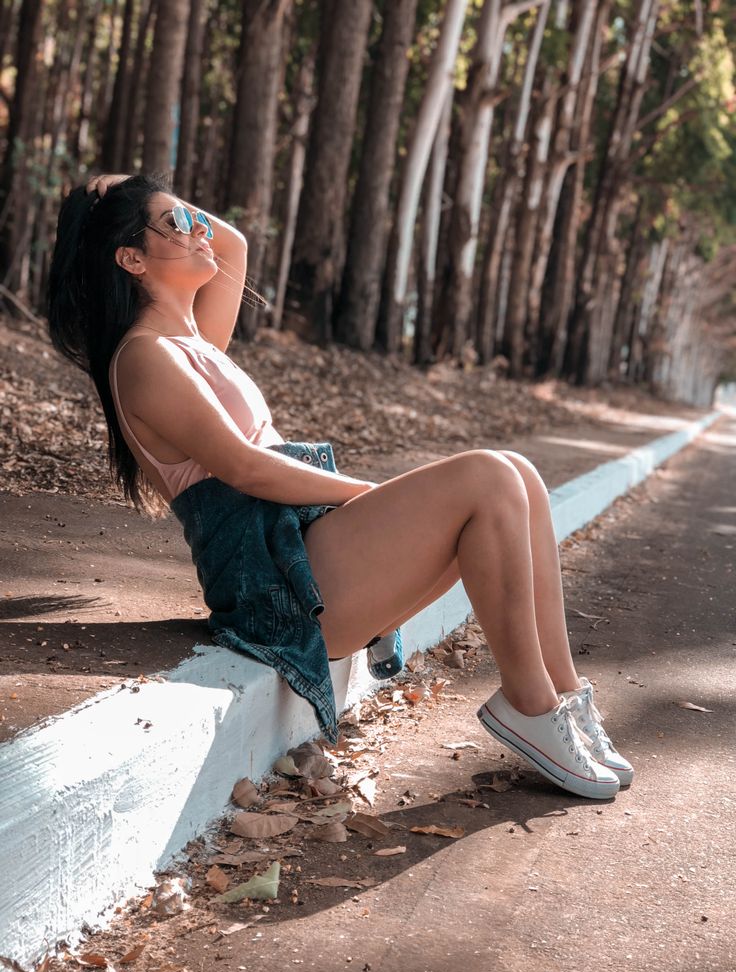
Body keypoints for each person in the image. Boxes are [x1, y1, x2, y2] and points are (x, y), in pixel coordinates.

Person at [47, 173, 633, 800]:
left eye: (191, 219)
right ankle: (529, 704)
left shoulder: (194, 342)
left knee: (520, 473)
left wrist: (148, 201)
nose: (197, 231)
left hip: (301, 552)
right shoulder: (144, 357)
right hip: (273, 585)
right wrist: (364, 494)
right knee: (488, 476)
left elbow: (234, 245)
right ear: (131, 259)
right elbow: (243, 467)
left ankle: (565, 697)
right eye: (176, 225)